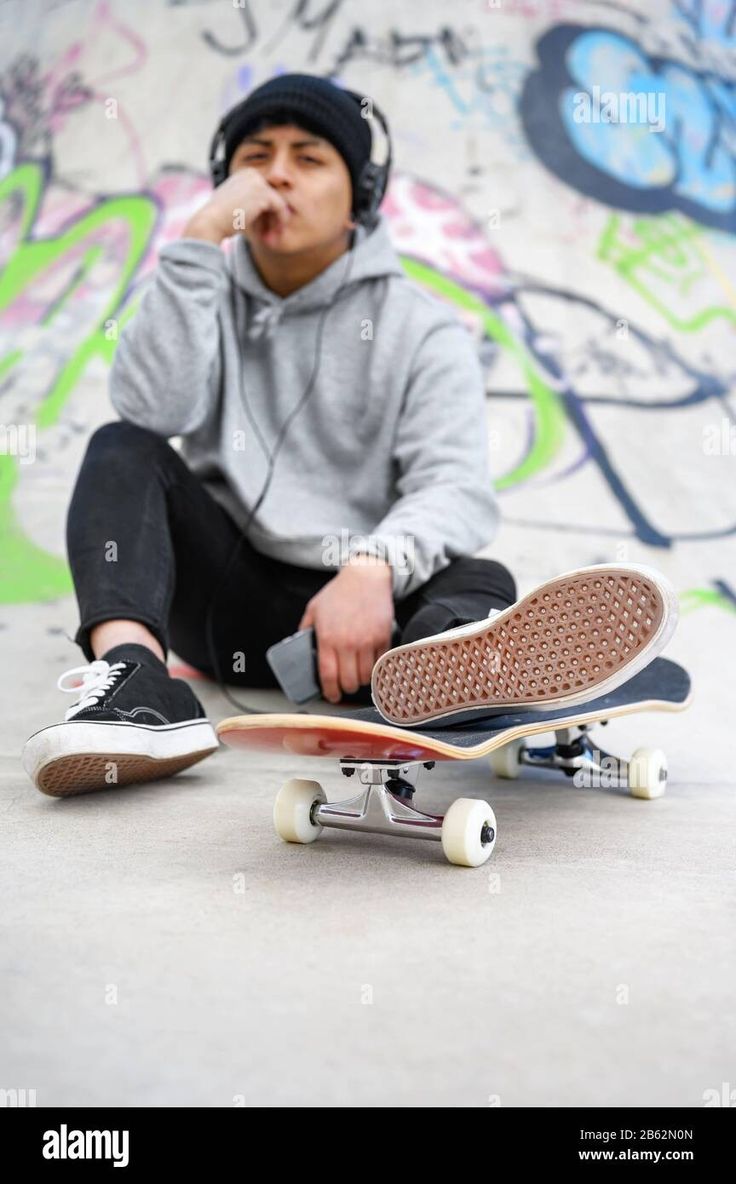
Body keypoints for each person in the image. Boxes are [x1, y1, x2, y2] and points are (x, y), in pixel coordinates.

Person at [21, 73, 519, 796]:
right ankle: (139, 690)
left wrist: (372, 567)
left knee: (480, 579)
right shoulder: (198, 287)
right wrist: (196, 242)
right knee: (119, 447)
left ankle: (425, 690)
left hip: (361, 622)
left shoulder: (421, 326)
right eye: (257, 156)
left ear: (362, 198)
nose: (277, 173)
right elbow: (150, 411)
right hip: (230, 602)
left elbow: (455, 486)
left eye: (309, 158)